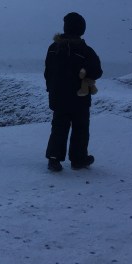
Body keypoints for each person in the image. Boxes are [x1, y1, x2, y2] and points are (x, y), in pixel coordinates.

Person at [44, 12, 102, 172]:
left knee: (58, 127)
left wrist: (50, 89)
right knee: (81, 128)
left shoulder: (53, 48)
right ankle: (78, 158)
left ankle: (54, 159)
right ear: (81, 30)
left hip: (58, 96)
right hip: (79, 98)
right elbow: (97, 71)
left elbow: (48, 71)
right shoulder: (85, 50)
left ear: (65, 28)